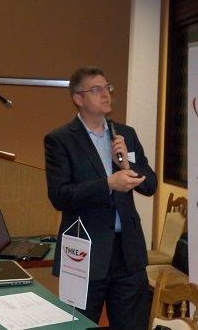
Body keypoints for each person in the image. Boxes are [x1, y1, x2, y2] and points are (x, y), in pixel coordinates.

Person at [44, 66, 157, 329]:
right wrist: (108, 183)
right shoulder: (60, 140)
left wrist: (127, 166)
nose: (106, 94)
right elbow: (60, 196)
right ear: (78, 98)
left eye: (108, 88)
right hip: (84, 253)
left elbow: (150, 185)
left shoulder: (125, 134)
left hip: (127, 253)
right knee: (79, 325)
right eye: (97, 90)